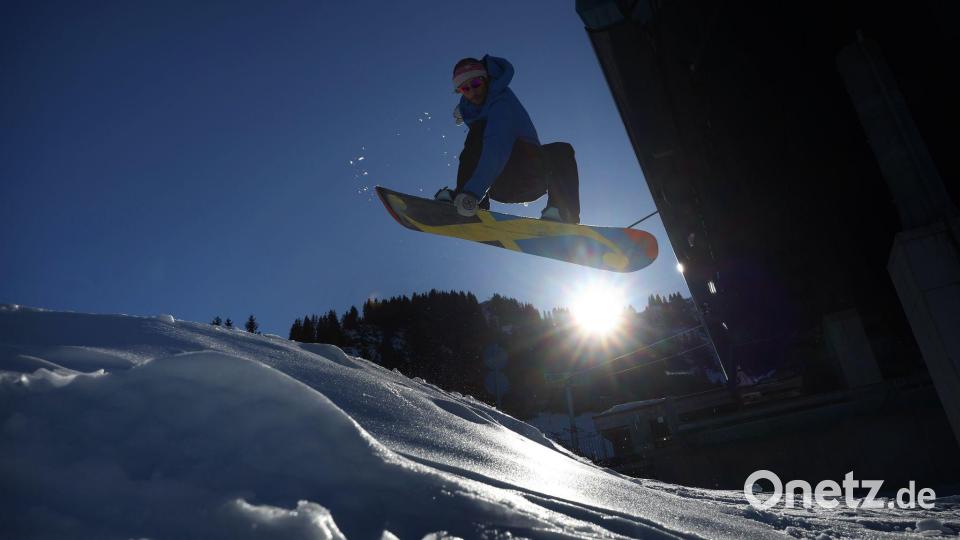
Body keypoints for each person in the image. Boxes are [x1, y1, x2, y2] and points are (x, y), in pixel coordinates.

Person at [435, 55, 581, 224]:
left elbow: (496, 147)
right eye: (465, 89)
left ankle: (563, 213)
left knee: (561, 151)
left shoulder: (501, 104)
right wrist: (463, 109)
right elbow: (474, 152)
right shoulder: (470, 107)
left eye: (476, 84)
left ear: (486, 79)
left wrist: (473, 191)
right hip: (499, 185)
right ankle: (469, 202)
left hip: (529, 176)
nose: (473, 91)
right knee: (476, 136)